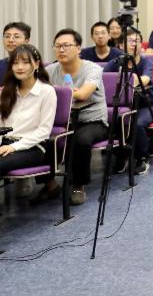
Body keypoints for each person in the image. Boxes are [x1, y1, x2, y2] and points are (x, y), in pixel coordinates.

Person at [0, 44, 57, 247]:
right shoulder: (6, 91)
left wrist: (13, 147)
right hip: (4, 143)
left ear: (36, 64)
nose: (19, 67)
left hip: (33, 147)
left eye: (25, 62)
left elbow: (43, 131)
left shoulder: (47, 91)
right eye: (15, 63)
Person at [34, 29, 106, 206]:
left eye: (66, 45)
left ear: (78, 48)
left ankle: (78, 185)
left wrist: (57, 92)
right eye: (58, 46)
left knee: (80, 140)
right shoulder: (50, 70)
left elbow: (83, 94)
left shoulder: (92, 69)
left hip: (92, 121)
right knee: (41, 138)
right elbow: (37, 93)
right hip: (64, 121)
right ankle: (50, 185)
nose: (61, 50)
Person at [108, 29, 153, 176]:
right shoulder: (115, 63)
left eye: (138, 41)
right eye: (131, 41)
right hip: (125, 106)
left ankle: (142, 158)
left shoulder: (146, 62)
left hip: (150, 106)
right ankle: (122, 155)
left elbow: (144, 79)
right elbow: (104, 79)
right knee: (114, 120)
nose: (135, 44)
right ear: (121, 45)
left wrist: (121, 80)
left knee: (135, 123)